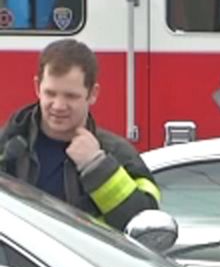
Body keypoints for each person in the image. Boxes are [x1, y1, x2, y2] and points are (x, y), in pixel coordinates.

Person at [1, 39, 160, 229]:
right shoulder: (8, 145)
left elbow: (145, 225)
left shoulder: (117, 153)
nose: (58, 106)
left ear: (92, 93)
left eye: (71, 96)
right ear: (37, 88)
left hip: (87, 259)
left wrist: (97, 167)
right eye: (50, 93)